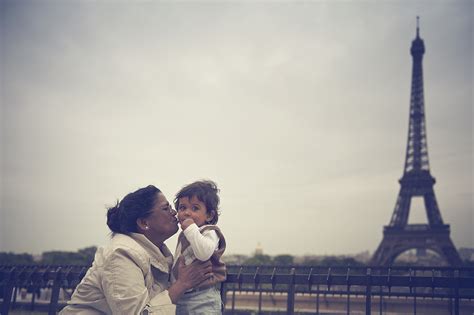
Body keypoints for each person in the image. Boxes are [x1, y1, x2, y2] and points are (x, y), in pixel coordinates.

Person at [59, 185, 212, 315]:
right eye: (166, 208)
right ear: (144, 223)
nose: (175, 212)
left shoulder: (160, 253)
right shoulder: (121, 253)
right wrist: (182, 284)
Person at [172, 180, 226, 315]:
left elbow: (204, 253)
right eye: (182, 208)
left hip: (202, 297)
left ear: (209, 215)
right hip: (184, 295)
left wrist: (190, 229)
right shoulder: (187, 235)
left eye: (195, 208)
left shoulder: (210, 232)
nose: (187, 213)